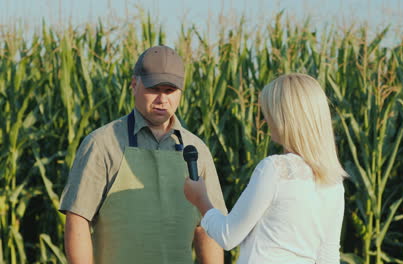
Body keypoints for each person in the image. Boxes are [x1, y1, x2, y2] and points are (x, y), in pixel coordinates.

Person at [59, 45, 227, 264]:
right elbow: (78, 219)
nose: (162, 99)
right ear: (134, 84)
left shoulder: (196, 151)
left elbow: (208, 226)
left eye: (170, 90)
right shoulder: (102, 144)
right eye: (154, 89)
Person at [184, 73, 347, 264]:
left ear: (285, 118)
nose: (266, 118)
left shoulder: (276, 169)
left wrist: (201, 198)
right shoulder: (333, 182)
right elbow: (328, 257)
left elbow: (228, 236)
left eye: (270, 111)